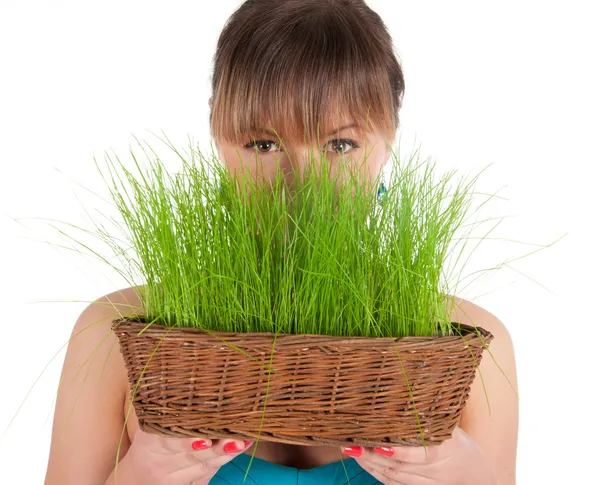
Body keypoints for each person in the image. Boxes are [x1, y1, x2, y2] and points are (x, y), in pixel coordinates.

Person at [44, 1, 518, 484]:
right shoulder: (124, 334)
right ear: (216, 131)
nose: (302, 187)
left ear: (390, 135)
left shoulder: (464, 347)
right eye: (263, 145)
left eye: (340, 145)